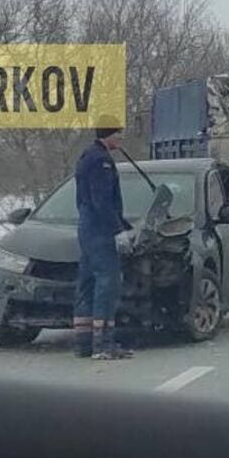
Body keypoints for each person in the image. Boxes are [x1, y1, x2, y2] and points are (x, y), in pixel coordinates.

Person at [73, 123, 134, 360]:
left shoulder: (87, 156)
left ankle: (83, 342)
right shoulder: (102, 161)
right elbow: (103, 201)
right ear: (109, 135)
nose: (121, 138)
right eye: (118, 133)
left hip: (87, 228)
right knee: (107, 286)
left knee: (87, 284)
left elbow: (87, 200)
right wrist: (117, 230)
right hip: (100, 231)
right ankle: (103, 344)